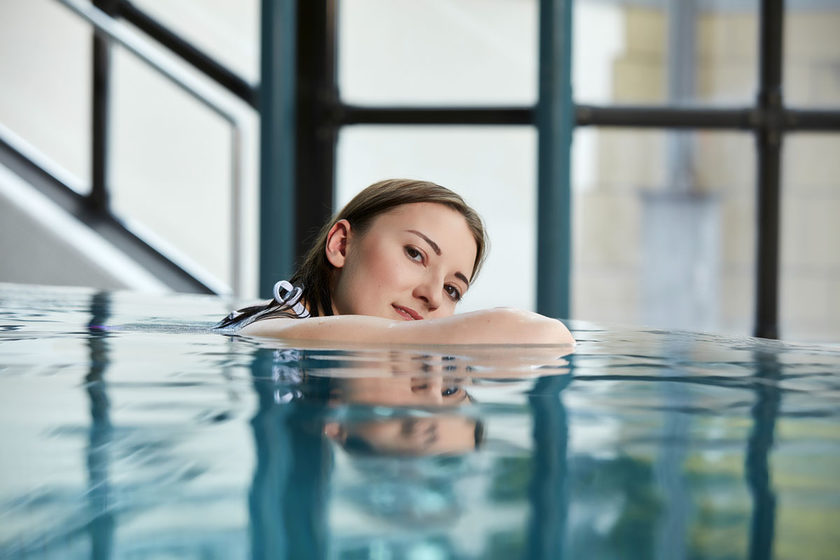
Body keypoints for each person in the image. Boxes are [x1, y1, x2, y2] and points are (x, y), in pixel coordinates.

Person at [217, 178, 574, 346]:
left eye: (452, 289)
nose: (433, 296)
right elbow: (547, 336)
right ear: (341, 244)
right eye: (415, 254)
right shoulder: (274, 331)